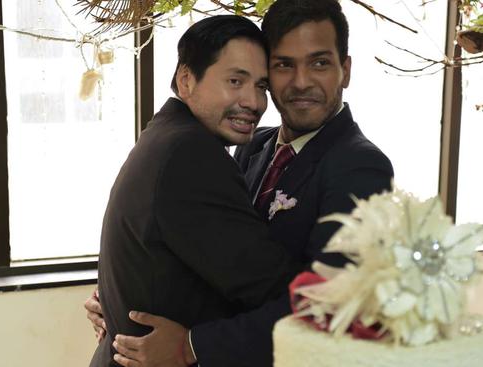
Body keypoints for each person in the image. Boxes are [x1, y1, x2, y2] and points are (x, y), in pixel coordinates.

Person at [88, 0, 395, 366]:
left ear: (345, 69)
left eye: (319, 63)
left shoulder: (361, 166)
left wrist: (192, 345)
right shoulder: (252, 147)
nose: (301, 81)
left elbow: (331, 306)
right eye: (283, 66)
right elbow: (207, 249)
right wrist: (125, 290)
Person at [88, 15, 303, 367]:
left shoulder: (165, 135)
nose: (254, 102)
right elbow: (267, 286)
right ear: (187, 80)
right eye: (235, 81)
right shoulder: (190, 153)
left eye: (261, 86)